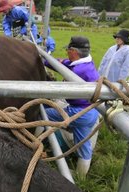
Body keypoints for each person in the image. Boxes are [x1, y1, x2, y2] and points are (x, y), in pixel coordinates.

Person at [44, 36, 100, 178]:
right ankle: (81, 177)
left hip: (78, 112)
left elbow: (61, 82)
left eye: (68, 50)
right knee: (83, 144)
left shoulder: (78, 71)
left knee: (43, 113)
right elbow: (63, 63)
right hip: (90, 112)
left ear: (74, 51)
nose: (67, 53)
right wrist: (45, 59)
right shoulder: (85, 63)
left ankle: (36, 143)